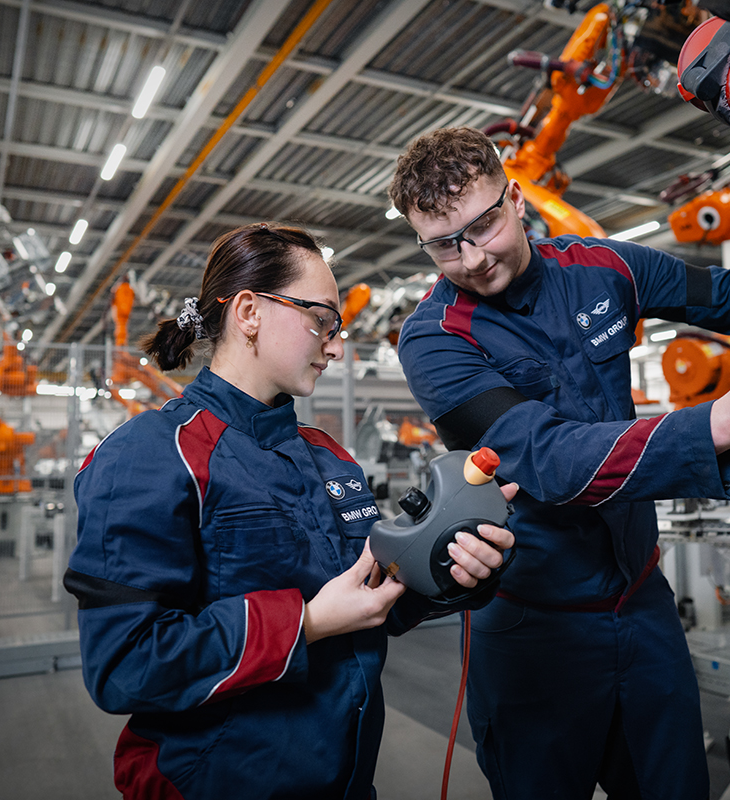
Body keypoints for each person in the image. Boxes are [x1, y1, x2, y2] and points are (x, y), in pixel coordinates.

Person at [388, 126, 730, 799]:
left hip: (639, 602)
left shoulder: (603, 268)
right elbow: (550, 460)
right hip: (532, 623)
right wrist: (723, 419)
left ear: (517, 201)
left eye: (483, 226)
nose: (472, 258)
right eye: (446, 244)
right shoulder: (434, 338)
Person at [64, 222, 515, 800]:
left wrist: (456, 565)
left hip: (344, 779)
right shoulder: (147, 456)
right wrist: (307, 622)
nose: (335, 344)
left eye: (338, 325)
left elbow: (372, 598)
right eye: (322, 319)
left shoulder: (330, 459)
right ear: (249, 312)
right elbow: (125, 662)